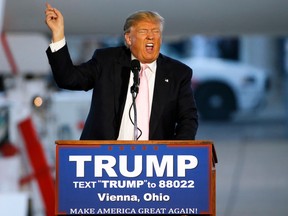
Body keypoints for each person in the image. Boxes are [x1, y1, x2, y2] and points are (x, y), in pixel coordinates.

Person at [45, 3, 198, 140]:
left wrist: (177, 151)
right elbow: (68, 79)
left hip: (155, 161)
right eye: (144, 31)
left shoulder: (178, 73)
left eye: (156, 31)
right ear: (129, 38)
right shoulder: (106, 61)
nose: (151, 36)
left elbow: (188, 119)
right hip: (103, 158)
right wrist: (58, 34)